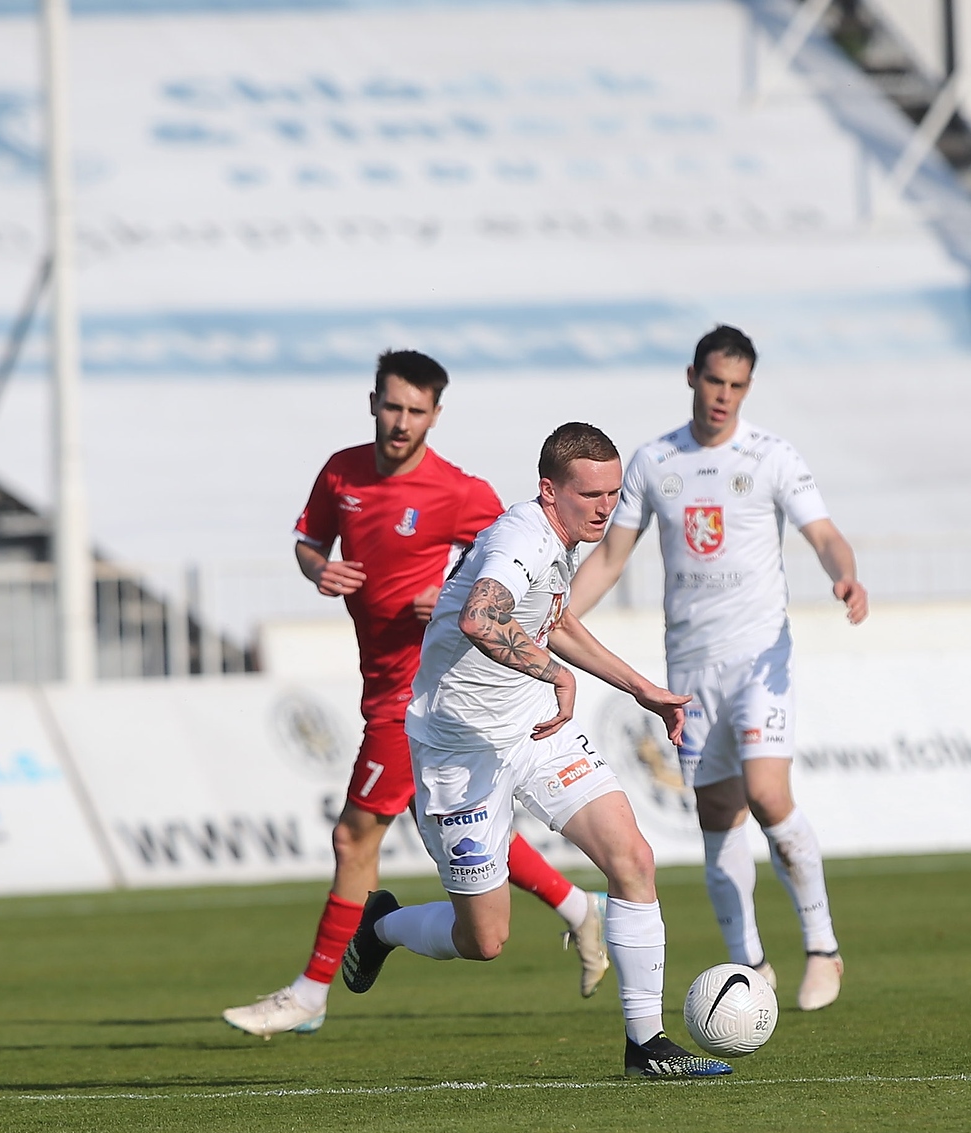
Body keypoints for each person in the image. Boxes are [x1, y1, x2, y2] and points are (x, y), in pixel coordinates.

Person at [222, 351, 605, 1040]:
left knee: (354, 836)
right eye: (392, 407)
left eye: (416, 411)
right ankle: (580, 908)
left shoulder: (457, 491)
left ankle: (310, 992)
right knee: (470, 829)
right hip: (378, 681)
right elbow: (308, 540)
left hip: (421, 694)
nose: (402, 423)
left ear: (435, 415)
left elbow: (511, 562)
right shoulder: (342, 472)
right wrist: (318, 569)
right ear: (373, 402)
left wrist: (452, 591)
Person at [340, 422, 730, 1080]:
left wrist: (641, 689)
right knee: (484, 939)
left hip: (535, 732)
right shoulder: (521, 537)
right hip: (459, 750)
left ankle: (646, 1046)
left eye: (613, 493)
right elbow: (481, 617)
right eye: (590, 495)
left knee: (633, 859)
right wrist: (556, 675)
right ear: (549, 491)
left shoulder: (564, 539)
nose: (605, 508)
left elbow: (555, 620)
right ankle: (382, 924)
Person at [570, 326, 867, 1012]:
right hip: (690, 666)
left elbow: (824, 533)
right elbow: (611, 557)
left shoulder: (771, 456)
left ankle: (822, 948)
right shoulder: (655, 461)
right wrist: (555, 617)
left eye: (736, 385)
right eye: (713, 381)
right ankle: (750, 965)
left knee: (766, 793)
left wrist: (845, 575)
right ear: (692, 377)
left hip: (760, 658)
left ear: (748, 387)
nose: (723, 396)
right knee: (717, 812)